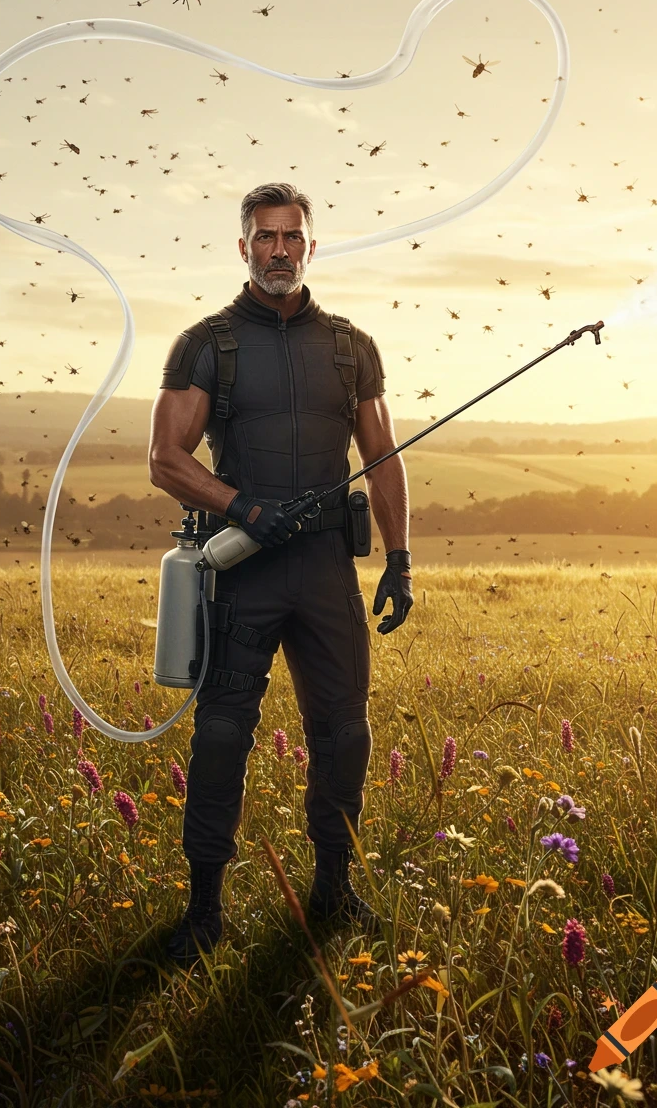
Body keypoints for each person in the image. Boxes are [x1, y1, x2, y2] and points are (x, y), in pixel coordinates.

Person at [148, 181, 414, 965]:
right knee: (223, 734)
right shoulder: (208, 344)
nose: (278, 250)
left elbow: (384, 460)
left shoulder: (350, 347)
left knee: (346, 734)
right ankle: (204, 911)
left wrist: (398, 560)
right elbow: (166, 459)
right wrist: (242, 507)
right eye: (264, 238)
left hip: (328, 569)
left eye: (291, 237)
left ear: (309, 245)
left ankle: (333, 887)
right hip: (245, 570)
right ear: (243, 247)